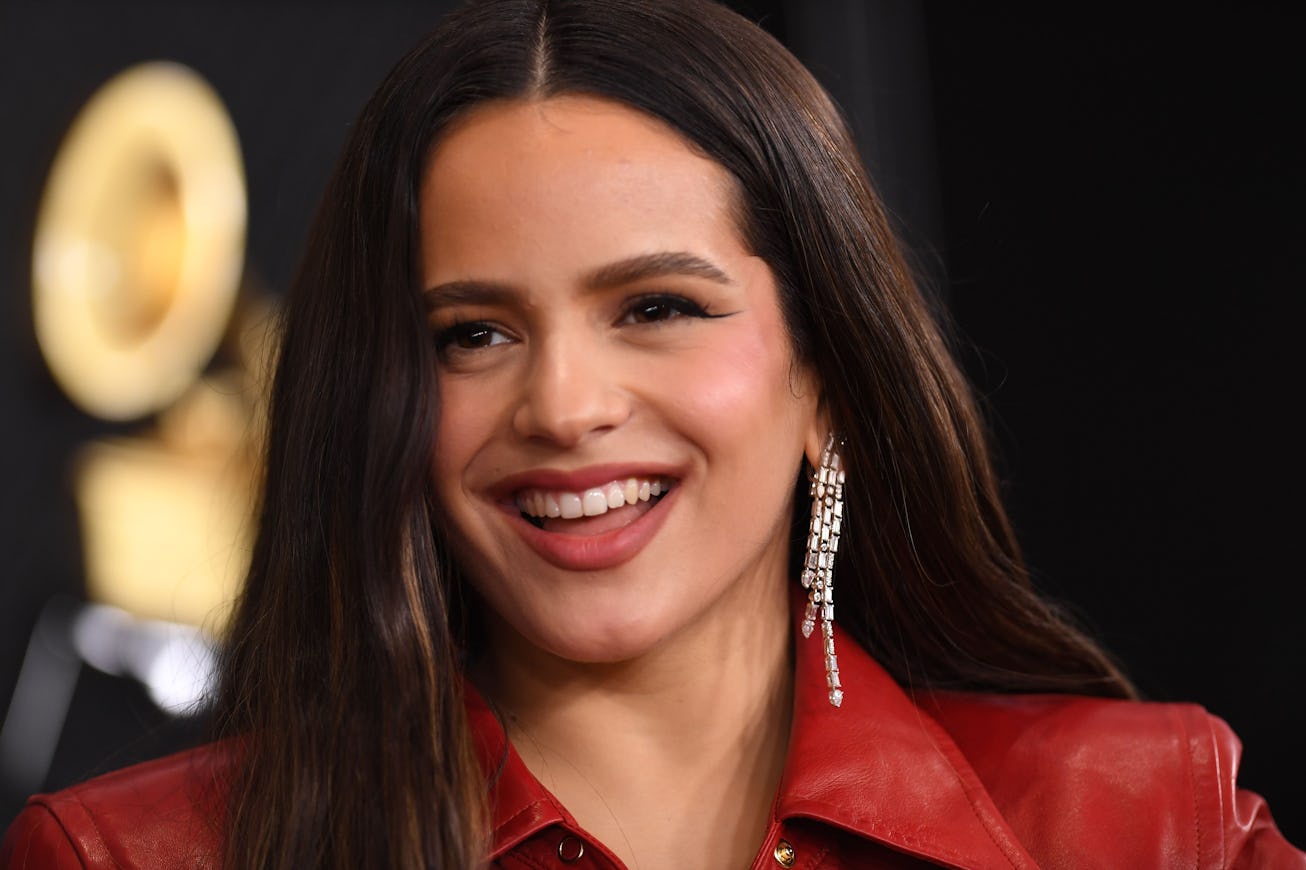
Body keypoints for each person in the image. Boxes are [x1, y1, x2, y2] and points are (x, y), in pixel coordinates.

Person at [3, 1, 1302, 867]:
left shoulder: (1149, 826)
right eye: (474, 333)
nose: (566, 406)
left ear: (826, 376)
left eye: (657, 308)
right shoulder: (133, 858)